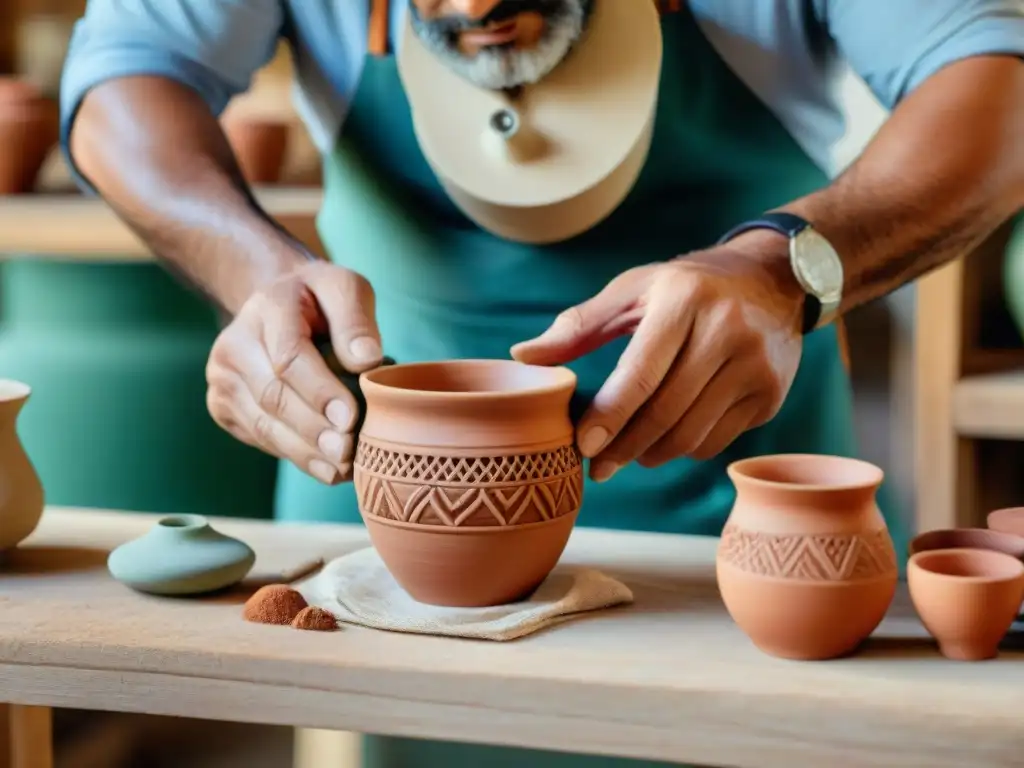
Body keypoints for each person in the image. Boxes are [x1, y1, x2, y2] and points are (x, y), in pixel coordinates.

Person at [61, 1, 1023, 765]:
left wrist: (789, 269)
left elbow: (998, 82)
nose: (478, 5)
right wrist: (252, 273)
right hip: (389, 548)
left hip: (739, 528)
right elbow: (123, 75)